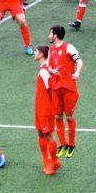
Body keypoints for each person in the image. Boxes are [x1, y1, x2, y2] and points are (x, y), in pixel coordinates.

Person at [47, 26, 82, 158]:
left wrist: (77, 72)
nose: (49, 36)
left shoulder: (68, 47)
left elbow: (79, 61)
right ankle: (63, 144)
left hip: (68, 88)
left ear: (55, 35)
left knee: (69, 117)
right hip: (56, 88)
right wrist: (51, 71)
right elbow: (49, 65)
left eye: (50, 33)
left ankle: (71, 145)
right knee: (57, 116)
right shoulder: (51, 50)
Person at [34, 45, 62, 175]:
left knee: (48, 135)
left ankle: (54, 162)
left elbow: (51, 90)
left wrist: (54, 107)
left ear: (41, 54)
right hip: (40, 107)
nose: (34, 53)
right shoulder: (44, 68)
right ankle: (46, 161)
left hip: (46, 108)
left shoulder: (44, 71)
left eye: (36, 51)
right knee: (40, 133)